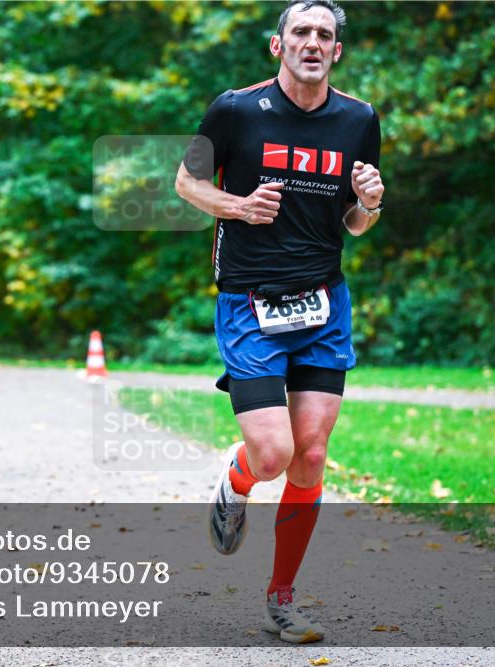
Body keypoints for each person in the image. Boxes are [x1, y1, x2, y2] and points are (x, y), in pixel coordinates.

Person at [174, 0, 384, 644]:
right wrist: (239, 206)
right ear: (278, 45)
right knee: (272, 455)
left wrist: (371, 206)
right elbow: (186, 183)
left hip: (323, 302)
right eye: (302, 32)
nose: (313, 42)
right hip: (249, 301)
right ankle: (234, 482)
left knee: (311, 456)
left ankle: (283, 598)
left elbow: (352, 220)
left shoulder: (359, 119)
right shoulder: (235, 109)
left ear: (337, 51)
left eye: (325, 34)